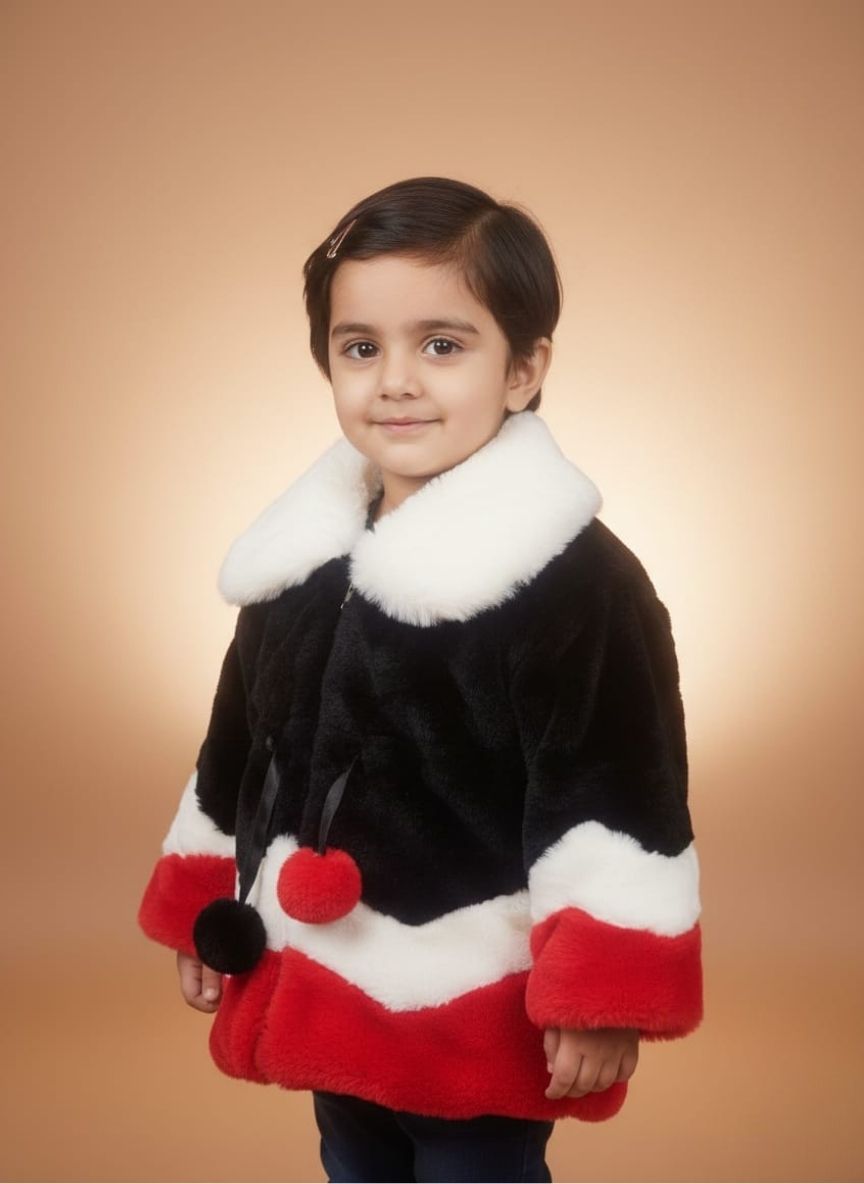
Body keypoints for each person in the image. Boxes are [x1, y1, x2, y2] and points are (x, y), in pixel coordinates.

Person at [138, 176, 704, 1183]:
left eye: (442, 345)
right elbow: (240, 745)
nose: (396, 379)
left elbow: (616, 800)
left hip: (472, 995)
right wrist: (203, 902)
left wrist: (605, 992)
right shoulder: (297, 561)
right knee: (352, 1159)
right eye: (363, 347)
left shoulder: (577, 584)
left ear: (524, 368)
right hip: (318, 976)